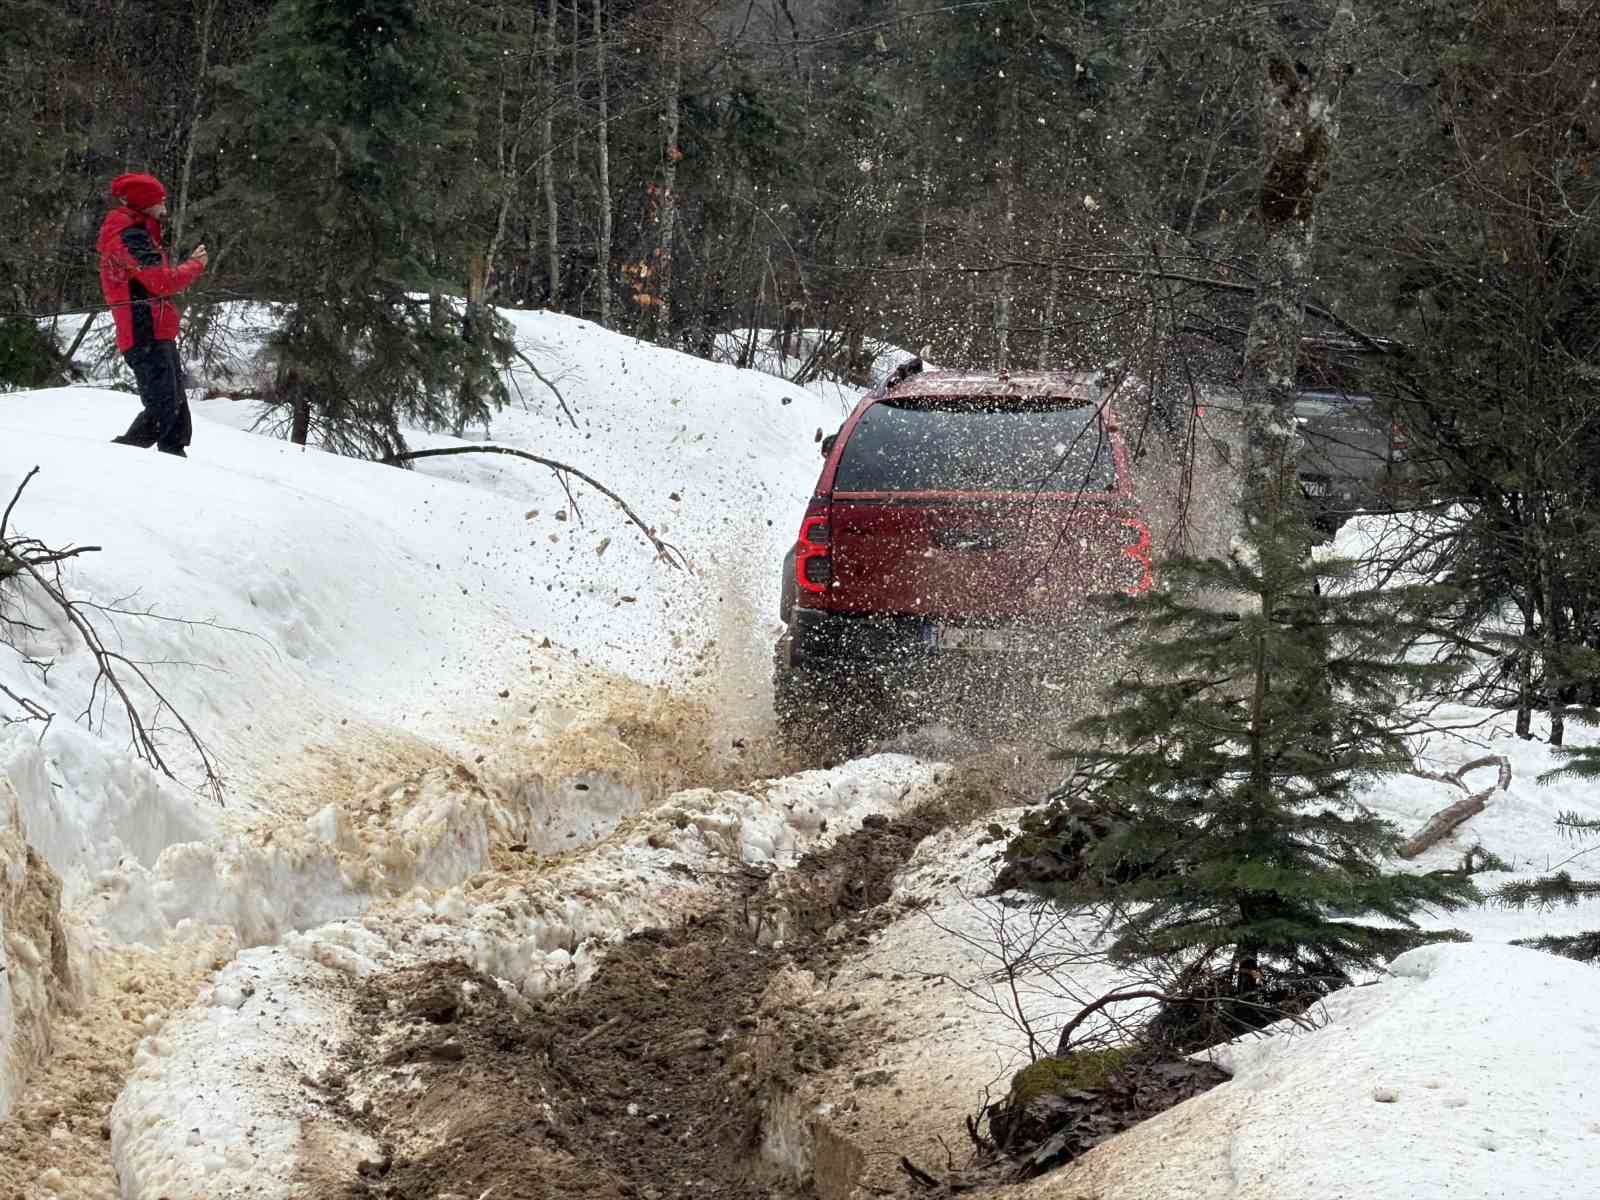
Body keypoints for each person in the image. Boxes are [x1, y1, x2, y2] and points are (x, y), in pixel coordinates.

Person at [97, 173, 208, 457]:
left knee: (177, 411)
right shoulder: (129, 235)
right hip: (142, 332)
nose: (164, 206)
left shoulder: (140, 231)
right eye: (160, 200)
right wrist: (195, 266)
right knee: (163, 408)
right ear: (145, 203)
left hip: (157, 331)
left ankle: (174, 458)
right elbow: (162, 282)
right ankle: (118, 458)